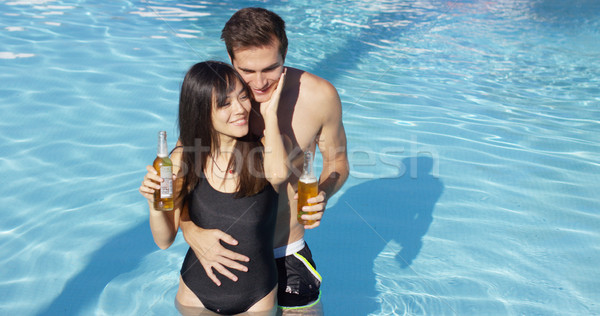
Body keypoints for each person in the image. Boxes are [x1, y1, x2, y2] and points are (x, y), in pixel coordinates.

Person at [179, 7, 349, 313]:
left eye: (271, 68)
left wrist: (323, 192)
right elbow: (178, 176)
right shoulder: (216, 101)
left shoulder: (319, 96)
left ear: (285, 54)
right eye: (247, 71)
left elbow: (338, 163)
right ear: (231, 60)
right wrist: (190, 229)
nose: (259, 83)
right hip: (223, 256)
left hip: (285, 251)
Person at [139, 61, 289, 314]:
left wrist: (270, 113)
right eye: (224, 104)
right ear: (200, 112)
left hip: (257, 299)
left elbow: (279, 175)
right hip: (195, 296)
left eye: (243, 97)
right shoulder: (182, 160)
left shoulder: (266, 149)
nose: (240, 109)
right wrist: (154, 206)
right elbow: (164, 241)